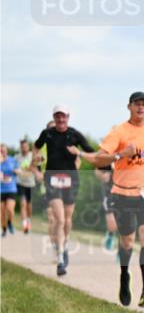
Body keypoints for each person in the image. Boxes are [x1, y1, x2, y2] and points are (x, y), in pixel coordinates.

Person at [76, 92, 144, 307]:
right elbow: (99, 158)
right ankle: (124, 276)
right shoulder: (119, 132)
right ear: (129, 107)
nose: (140, 108)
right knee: (126, 241)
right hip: (123, 192)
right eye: (137, 104)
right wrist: (121, 154)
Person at [33, 105, 94, 275]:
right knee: (59, 219)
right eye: (58, 116)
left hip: (71, 180)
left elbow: (92, 153)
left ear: (68, 117)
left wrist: (79, 154)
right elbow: (36, 147)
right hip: (52, 179)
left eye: (63, 116)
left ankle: (64, 243)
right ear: (54, 116)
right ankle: (60, 259)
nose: (61, 119)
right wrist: (36, 157)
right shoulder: (47, 134)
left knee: (67, 219)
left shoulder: (74, 134)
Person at [15, 138, 40, 233]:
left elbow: (38, 167)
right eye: (22, 146)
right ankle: (24, 224)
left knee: (29, 205)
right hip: (20, 183)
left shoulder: (32, 156)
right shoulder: (17, 157)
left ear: (28, 146)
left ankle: (28, 220)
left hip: (31, 184)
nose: (24, 148)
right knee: (23, 203)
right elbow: (13, 167)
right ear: (20, 147)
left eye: (25, 146)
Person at [95, 165, 118, 250]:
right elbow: (97, 170)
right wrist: (103, 175)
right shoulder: (109, 154)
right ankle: (110, 235)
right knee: (112, 220)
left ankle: (123, 252)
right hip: (109, 193)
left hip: (125, 192)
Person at [0, 145, 17, 236]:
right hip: (1, 190)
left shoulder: (12, 160)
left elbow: (18, 170)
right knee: (2, 211)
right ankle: (4, 229)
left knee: (10, 209)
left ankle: (10, 222)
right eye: (1, 151)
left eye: (4, 151)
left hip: (11, 188)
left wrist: (17, 171)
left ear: (7, 151)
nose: (2, 152)